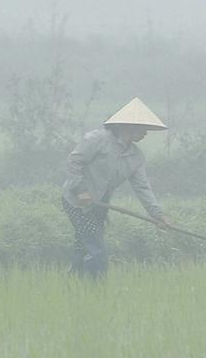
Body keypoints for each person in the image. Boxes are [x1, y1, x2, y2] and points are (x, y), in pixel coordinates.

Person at [61, 97, 175, 279]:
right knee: (96, 250)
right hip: (76, 201)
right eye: (142, 128)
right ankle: (95, 290)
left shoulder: (135, 157)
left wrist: (159, 215)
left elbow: (143, 189)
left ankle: (73, 286)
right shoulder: (97, 140)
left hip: (99, 205)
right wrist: (81, 190)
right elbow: (74, 162)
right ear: (127, 126)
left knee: (84, 246)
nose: (145, 133)